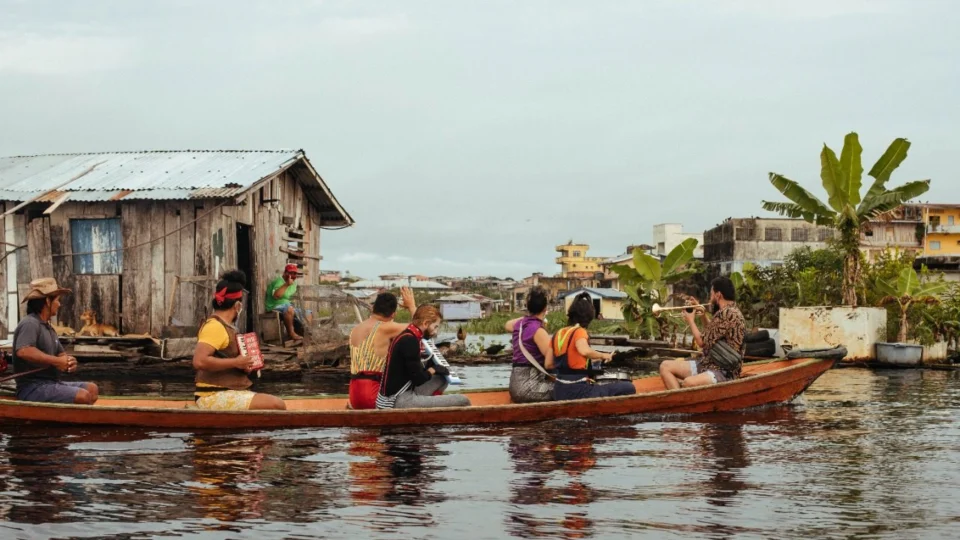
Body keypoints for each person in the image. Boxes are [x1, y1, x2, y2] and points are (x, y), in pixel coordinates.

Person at [192, 270, 286, 410]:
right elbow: (199, 361)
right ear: (237, 306)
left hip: (228, 391)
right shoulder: (215, 327)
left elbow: (229, 363)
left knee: (274, 402)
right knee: (276, 404)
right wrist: (236, 362)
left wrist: (245, 365)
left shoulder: (228, 327)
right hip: (211, 396)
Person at [13, 278, 98, 405]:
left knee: (92, 389)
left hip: (52, 383)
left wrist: (69, 362)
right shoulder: (30, 323)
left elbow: (61, 355)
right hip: (32, 388)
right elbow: (24, 351)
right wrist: (57, 361)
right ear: (48, 301)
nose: (59, 304)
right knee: (83, 396)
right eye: (57, 300)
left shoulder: (49, 328)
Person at [376, 305, 471, 409]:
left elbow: (414, 371)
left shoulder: (406, 335)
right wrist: (433, 369)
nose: (435, 332)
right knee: (463, 400)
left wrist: (432, 367)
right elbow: (419, 379)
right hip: (399, 400)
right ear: (425, 323)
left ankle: (428, 408)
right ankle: (429, 412)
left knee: (442, 379)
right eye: (435, 327)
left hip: (400, 393)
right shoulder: (410, 341)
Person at [658, 276, 746, 390]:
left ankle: (681, 401)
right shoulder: (729, 311)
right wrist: (702, 315)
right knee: (665, 366)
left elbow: (701, 342)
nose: (710, 296)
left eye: (711, 293)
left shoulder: (727, 313)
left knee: (688, 383)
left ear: (718, 295)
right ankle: (681, 400)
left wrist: (691, 320)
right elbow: (712, 333)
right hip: (707, 364)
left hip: (723, 371)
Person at [551, 293, 636, 401]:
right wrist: (603, 355)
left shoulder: (557, 333)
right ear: (588, 318)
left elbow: (549, 363)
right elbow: (584, 351)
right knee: (628, 387)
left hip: (558, 391)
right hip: (578, 391)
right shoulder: (579, 331)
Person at [348, 287, 417, 410]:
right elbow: (419, 328)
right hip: (372, 394)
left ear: (373, 309)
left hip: (354, 394)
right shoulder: (385, 327)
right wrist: (411, 306)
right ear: (393, 314)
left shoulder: (356, 329)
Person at [504, 286, 555, 403]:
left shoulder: (520, 324)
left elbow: (507, 325)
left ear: (527, 306)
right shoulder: (538, 331)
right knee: (570, 389)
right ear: (545, 308)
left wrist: (529, 317)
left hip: (516, 386)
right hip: (530, 388)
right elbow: (550, 363)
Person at [265, 264, 303, 341]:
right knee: (289, 309)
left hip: (287, 305)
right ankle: (291, 334)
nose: (292, 275)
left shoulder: (294, 284)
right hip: (274, 305)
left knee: (308, 313)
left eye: (295, 273)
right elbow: (276, 296)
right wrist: (286, 284)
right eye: (290, 273)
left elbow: (290, 297)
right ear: (285, 273)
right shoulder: (279, 281)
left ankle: (303, 333)